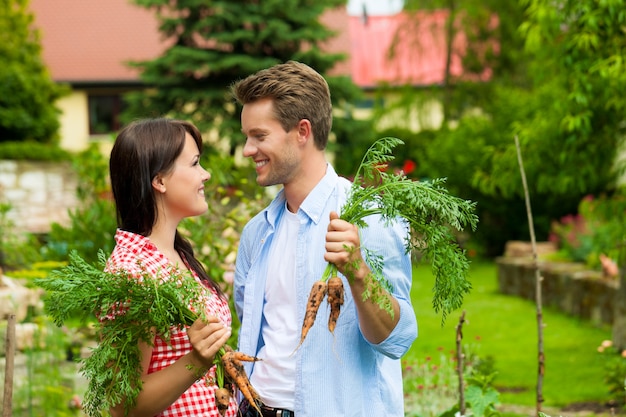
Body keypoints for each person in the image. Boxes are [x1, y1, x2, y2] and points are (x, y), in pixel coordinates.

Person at [231, 61, 418, 416]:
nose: (247, 149)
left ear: (302, 132)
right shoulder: (256, 233)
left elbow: (397, 339)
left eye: (259, 136)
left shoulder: (369, 219)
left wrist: (358, 271)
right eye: (247, 136)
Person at [106, 118, 237, 417]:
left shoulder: (176, 254)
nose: (206, 174)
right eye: (194, 164)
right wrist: (196, 361)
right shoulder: (131, 271)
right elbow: (123, 403)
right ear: (160, 181)